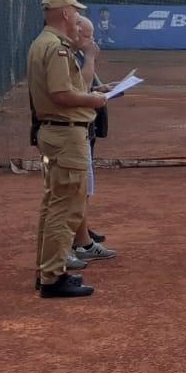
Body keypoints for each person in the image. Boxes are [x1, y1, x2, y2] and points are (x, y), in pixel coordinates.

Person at [28, 0, 105, 299]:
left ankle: (48, 271)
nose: (76, 17)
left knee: (53, 205)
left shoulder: (42, 44)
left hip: (54, 132)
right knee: (66, 207)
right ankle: (53, 277)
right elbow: (62, 95)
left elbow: (64, 90)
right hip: (64, 133)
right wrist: (97, 99)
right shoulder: (57, 48)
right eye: (75, 12)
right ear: (65, 14)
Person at [70, 16, 117, 268]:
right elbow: (78, 90)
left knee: (84, 189)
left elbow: (83, 90)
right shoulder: (69, 56)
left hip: (83, 130)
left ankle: (82, 235)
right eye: (88, 36)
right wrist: (90, 57)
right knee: (75, 190)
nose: (92, 42)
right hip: (71, 132)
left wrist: (102, 90)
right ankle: (79, 242)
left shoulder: (75, 56)